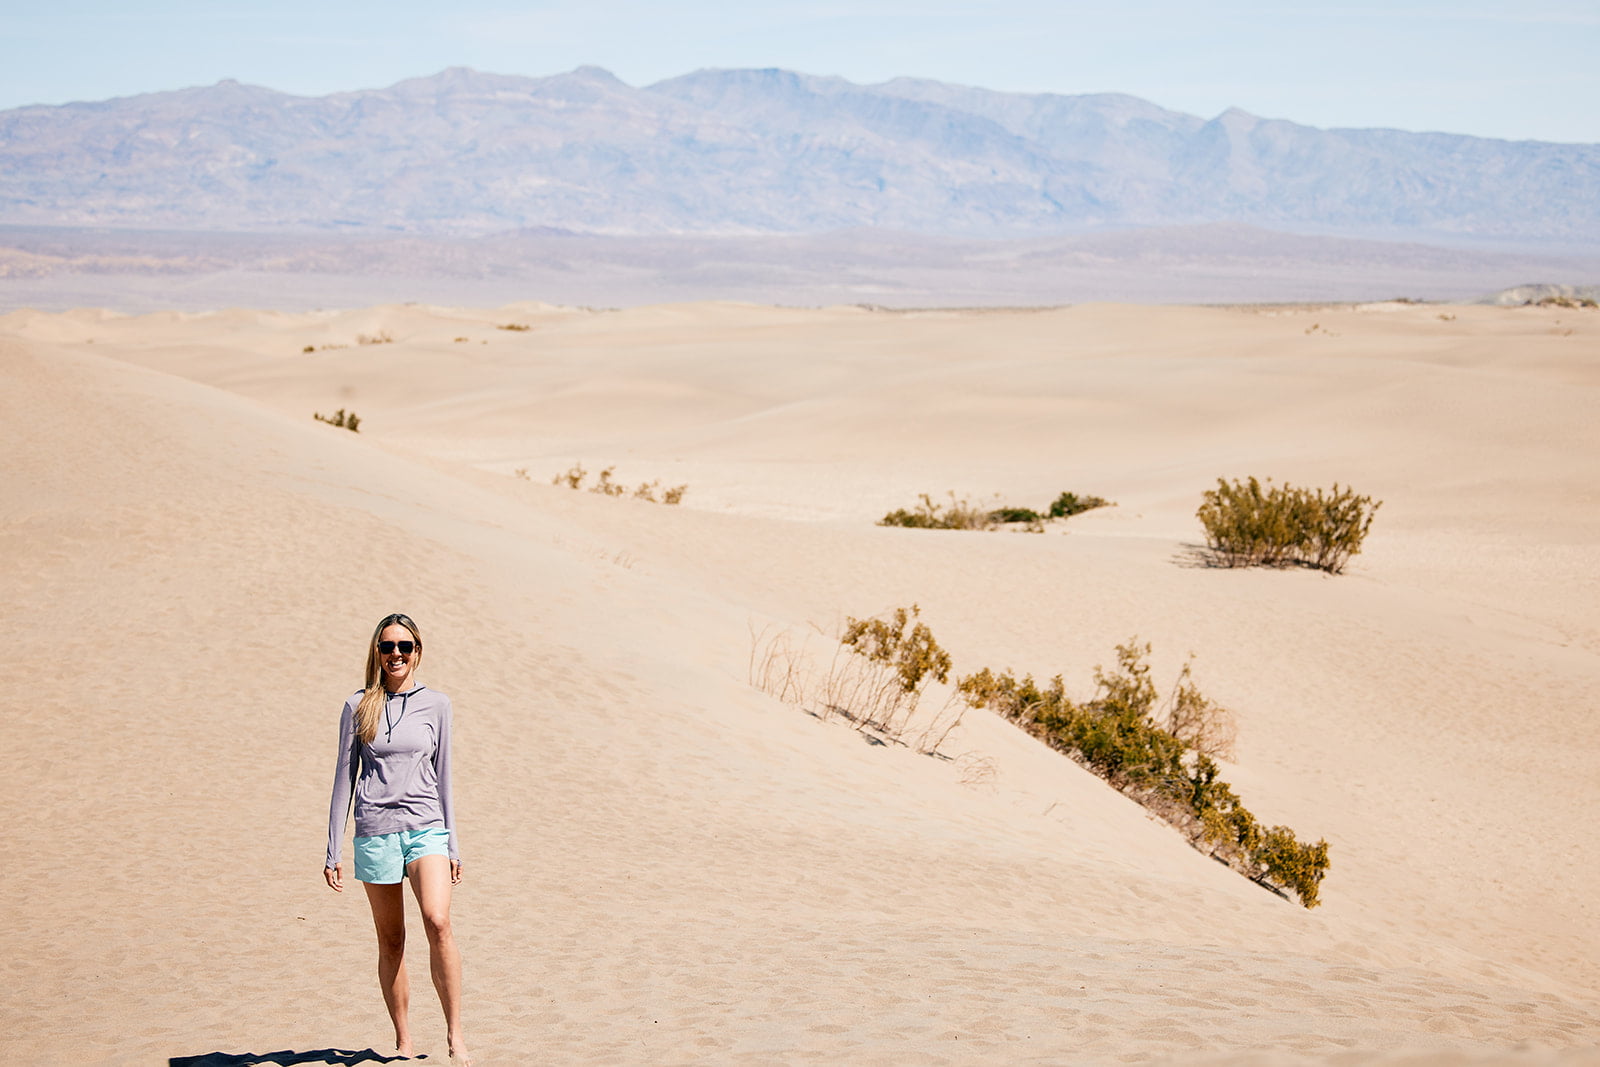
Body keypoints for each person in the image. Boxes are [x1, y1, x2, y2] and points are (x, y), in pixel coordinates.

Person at [325, 613, 470, 1063]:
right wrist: (333, 848)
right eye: (387, 647)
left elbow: (444, 774)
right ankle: (404, 1040)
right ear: (376, 652)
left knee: (438, 921)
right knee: (392, 940)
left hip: (426, 827)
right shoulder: (358, 706)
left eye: (404, 647)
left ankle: (455, 1034)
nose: (396, 655)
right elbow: (343, 779)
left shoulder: (438, 705)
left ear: (417, 652)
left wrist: (453, 842)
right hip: (375, 833)